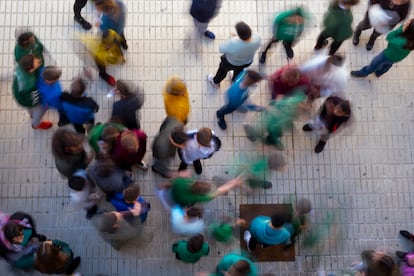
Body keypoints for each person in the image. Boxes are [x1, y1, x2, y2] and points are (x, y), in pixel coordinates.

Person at [207, 21, 261, 88]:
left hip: (231, 62)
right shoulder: (257, 38)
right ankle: (234, 81)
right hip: (247, 61)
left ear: (239, 35)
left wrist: (232, 38)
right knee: (239, 71)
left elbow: (221, 49)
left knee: (222, 71)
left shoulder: (233, 43)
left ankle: (215, 82)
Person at [12, 55, 52, 130]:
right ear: (31, 70)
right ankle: (36, 124)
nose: (38, 61)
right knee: (39, 109)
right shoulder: (31, 84)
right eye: (36, 62)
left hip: (20, 95)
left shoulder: (19, 68)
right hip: (28, 100)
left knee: (30, 108)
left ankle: (31, 114)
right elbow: (35, 99)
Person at [14, 239, 81, 275]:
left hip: (57, 271)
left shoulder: (37, 262)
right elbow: (65, 246)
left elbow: (18, 264)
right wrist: (53, 242)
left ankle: (68, 271)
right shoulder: (66, 254)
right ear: (55, 250)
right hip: (67, 262)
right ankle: (70, 269)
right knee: (69, 266)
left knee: (64, 270)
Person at [168, 176, 242, 207]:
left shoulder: (185, 182)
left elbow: (173, 182)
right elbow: (220, 190)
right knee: (190, 204)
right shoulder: (198, 197)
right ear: (200, 194)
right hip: (179, 201)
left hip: (174, 191)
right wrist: (233, 183)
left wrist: (233, 182)